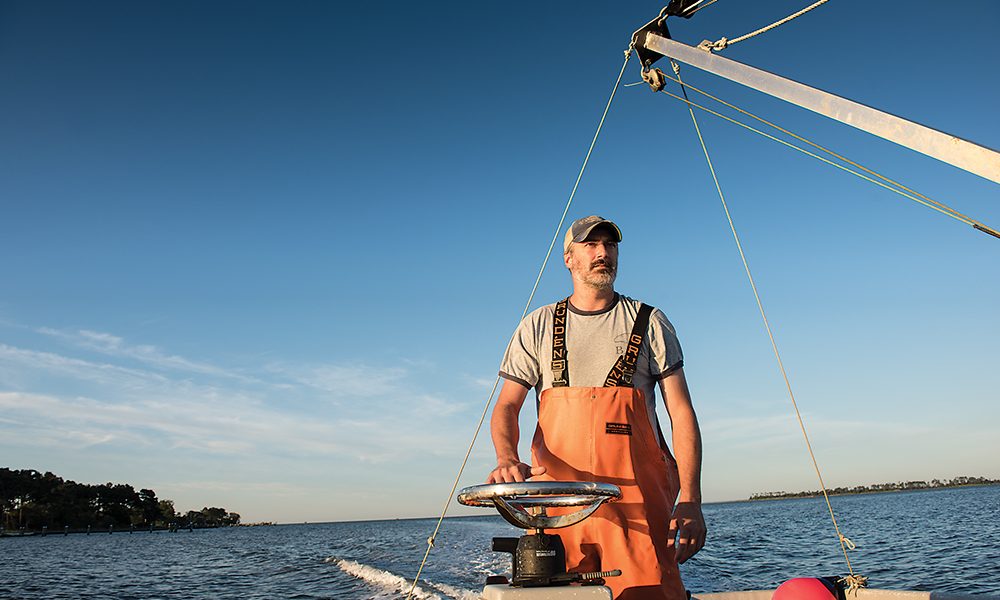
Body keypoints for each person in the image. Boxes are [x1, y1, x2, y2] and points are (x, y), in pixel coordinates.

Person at [487, 215, 706, 600]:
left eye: (610, 245)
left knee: (651, 591)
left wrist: (690, 498)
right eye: (590, 245)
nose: (603, 253)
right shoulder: (537, 325)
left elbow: (682, 413)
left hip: (638, 507)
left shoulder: (650, 322)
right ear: (569, 259)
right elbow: (507, 406)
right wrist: (507, 457)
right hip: (558, 508)